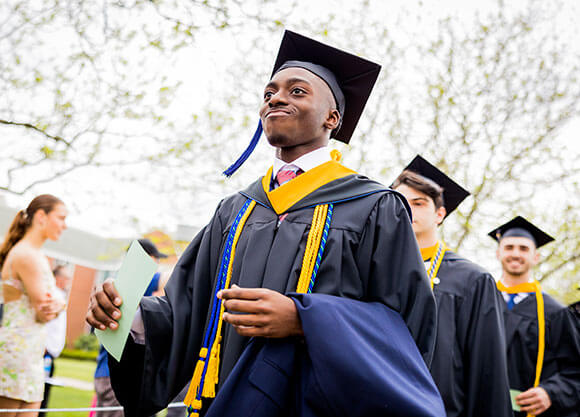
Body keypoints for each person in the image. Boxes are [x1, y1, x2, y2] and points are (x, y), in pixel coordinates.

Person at [87, 30, 443, 417]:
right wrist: (129, 316)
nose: (276, 97)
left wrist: (307, 320)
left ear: (332, 117)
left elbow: (404, 326)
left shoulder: (373, 207)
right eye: (269, 92)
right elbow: (187, 308)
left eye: (297, 91)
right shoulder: (235, 210)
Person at [391, 155, 512, 417]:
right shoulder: (374, 270)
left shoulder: (471, 280)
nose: (408, 209)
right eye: (401, 202)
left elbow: (486, 370)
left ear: (440, 213)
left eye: (419, 203)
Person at [489, 216, 580, 417]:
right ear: (498, 253)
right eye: (509, 247)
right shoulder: (479, 303)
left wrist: (551, 393)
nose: (515, 254)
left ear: (536, 257)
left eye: (523, 248)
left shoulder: (555, 313)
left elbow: (575, 371)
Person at [0, 194, 67, 417]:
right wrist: (61, 304)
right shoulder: (27, 255)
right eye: (60, 218)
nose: (64, 226)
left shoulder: (34, 254)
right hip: (17, 352)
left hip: (29, 352)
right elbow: (44, 311)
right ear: (41, 216)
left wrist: (58, 304)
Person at [93, 238, 168, 417]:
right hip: (119, 377)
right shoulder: (134, 279)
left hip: (110, 373)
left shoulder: (125, 281)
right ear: (147, 258)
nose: (157, 265)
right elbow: (171, 278)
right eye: (156, 260)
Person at [39, 265, 71, 417]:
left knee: (45, 392)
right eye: (66, 277)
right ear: (58, 278)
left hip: (50, 354)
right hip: (44, 352)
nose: (68, 281)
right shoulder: (52, 295)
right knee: (40, 394)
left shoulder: (61, 296)